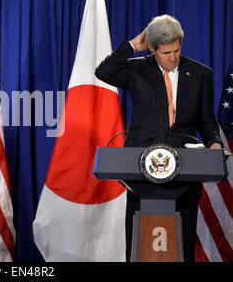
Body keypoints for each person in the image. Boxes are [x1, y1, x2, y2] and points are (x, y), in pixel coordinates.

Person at [95, 15, 222, 262]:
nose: (173, 58)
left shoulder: (199, 74)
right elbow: (103, 71)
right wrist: (132, 46)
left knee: (181, 251)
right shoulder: (136, 70)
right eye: (166, 53)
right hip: (141, 177)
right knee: (139, 249)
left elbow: (207, 121)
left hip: (184, 179)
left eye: (177, 50)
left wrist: (214, 142)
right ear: (152, 49)